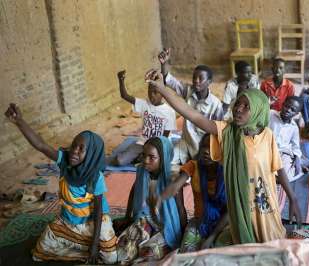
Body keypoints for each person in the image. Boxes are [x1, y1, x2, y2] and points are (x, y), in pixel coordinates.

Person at [145, 72, 302, 244]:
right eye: (238, 103)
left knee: (272, 245)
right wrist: (162, 88)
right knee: (247, 248)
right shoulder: (228, 133)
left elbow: (278, 168)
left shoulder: (267, 135)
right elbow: (193, 115)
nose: (238, 108)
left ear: (258, 110)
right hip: (242, 208)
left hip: (265, 204)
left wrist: (293, 198)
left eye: (246, 106)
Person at [4, 104, 117, 264]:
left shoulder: (94, 177)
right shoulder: (64, 161)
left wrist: (94, 244)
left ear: (91, 154)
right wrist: (19, 121)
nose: (74, 151)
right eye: (73, 145)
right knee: (40, 251)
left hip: (91, 221)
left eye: (81, 149)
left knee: (110, 258)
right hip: (68, 220)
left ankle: (85, 245)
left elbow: (98, 212)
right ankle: (81, 249)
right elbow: (41, 145)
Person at [154, 134, 228, 252]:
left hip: (223, 224)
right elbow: (175, 185)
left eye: (212, 147)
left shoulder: (228, 172)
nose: (206, 152)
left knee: (219, 256)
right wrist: (160, 198)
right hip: (200, 221)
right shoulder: (193, 166)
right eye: (204, 147)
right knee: (186, 255)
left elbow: (230, 212)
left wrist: (212, 237)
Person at [115, 136, 182, 264]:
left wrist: (181, 236)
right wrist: (127, 217)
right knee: (122, 252)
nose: (146, 161)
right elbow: (134, 190)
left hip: (164, 226)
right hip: (144, 219)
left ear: (163, 158)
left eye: (152, 157)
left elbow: (180, 208)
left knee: (148, 255)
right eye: (144, 155)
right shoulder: (142, 171)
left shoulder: (172, 179)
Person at [157, 48, 223, 164]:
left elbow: (218, 131)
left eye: (201, 78)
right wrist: (164, 63)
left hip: (202, 146)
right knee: (167, 163)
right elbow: (169, 80)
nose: (196, 81)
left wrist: (209, 150)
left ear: (209, 82)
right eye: (194, 78)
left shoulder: (216, 104)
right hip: (185, 143)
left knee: (200, 170)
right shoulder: (188, 91)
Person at [108, 70, 176, 166]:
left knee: (160, 164)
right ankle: (141, 156)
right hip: (143, 143)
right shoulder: (144, 104)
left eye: (155, 92)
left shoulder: (169, 112)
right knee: (119, 161)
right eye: (149, 91)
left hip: (159, 146)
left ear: (163, 93)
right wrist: (121, 80)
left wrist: (153, 150)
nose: (151, 95)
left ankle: (141, 157)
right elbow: (125, 96)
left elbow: (164, 138)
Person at [269, 96, 303, 181]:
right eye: (287, 106)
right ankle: (273, 176)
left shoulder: (294, 127)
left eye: (292, 110)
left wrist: (297, 159)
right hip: (266, 150)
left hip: (282, 153)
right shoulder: (270, 114)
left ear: (296, 114)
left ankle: (275, 176)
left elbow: (296, 146)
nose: (288, 110)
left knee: (287, 177)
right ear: (282, 104)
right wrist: (268, 103)